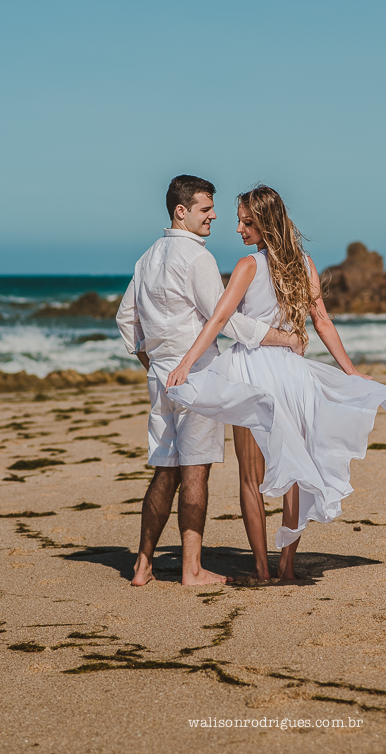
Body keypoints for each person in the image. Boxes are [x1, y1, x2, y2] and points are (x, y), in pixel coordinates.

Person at [166, 184, 386, 581]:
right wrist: (350, 370)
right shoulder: (303, 263)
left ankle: (261, 569)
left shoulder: (247, 266)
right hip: (294, 373)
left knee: (250, 478)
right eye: (238, 220)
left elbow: (219, 320)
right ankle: (286, 566)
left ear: (266, 224)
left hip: (253, 373)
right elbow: (321, 321)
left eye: (247, 222)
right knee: (295, 471)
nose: (238, 228)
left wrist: (186, 362)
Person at [115, 175, 302, 587]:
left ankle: (143, 565)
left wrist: (153, 362)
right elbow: (227, 321)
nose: (213, 215)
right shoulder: (197, 258)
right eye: (205, 208)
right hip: (196, 376)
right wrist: (283, 338)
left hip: (161, 376)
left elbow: (125, 319)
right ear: (180, 211)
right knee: (195, 471)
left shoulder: (146, 259)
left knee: (165, 470)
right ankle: (191, 569)